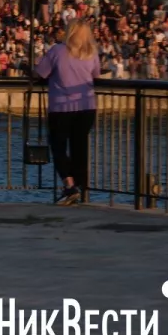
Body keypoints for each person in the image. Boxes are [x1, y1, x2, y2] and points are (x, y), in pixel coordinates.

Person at [38, 20, 100, 205]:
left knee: (58, 146)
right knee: (79, 147)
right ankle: (81, 186)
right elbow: (96, 75)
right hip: (87, 106)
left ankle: (69, 184)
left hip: (61, 107)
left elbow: (40, 72)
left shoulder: (57, 51)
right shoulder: (91, 53)